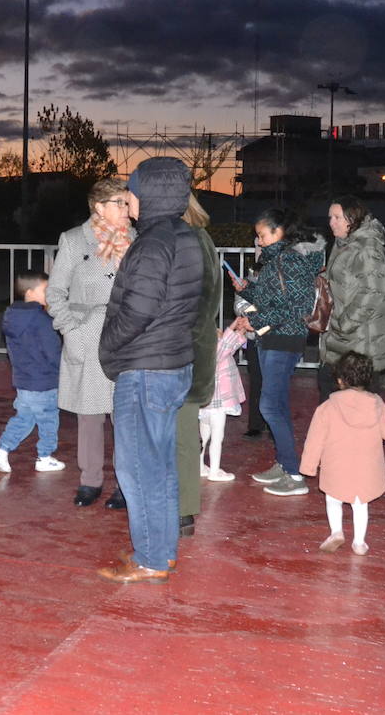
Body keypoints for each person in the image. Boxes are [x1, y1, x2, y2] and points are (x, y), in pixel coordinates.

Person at [96, 157, 203, 584]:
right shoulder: (186, 237)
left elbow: (137, 310)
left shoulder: (154, 243)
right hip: (172, 362)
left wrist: (108, 348)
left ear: (150, 194)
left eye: (133, 190)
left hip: (145, 368)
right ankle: (162, 551)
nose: (129, 197)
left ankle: (150, 559)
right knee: (159, 466)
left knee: (138, 466)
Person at [232, 209, 326, 497]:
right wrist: (247, 290)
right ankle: (286, 464)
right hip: (272, 338)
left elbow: (297, 308)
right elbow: (273, 299)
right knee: (277, 404)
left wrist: (254, 321)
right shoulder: (277, 261)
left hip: (283, 339)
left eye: (261, 235)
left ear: (279, 232)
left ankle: (294, 475)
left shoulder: (291, 260)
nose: (258, 242)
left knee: (270, 406)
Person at [49, 177, 130, 507]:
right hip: (88, 334)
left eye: (127, 203)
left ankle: (126, 484)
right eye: (119, 203)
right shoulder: (73, 240)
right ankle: (90, 480)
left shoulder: (137, 240)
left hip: (126, 335)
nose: (126, 209)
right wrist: (71, 328)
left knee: (125, 414)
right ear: (99, 207)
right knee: (90, 413)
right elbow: (55, 293)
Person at [301, 352, 385, 556]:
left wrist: (308, 466)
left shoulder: (327, 407)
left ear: (340, 380)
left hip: (336, 467)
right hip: (365, 470)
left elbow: (314, 440)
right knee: (360, 505)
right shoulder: (376, 404)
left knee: (333, 499)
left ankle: (336, 532)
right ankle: (359, 542)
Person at [319, 196, 385, 400]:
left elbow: (373, 292)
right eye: (330, 217)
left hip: (361, 341)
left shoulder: (367, 248)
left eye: (337, 217)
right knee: (332, 396)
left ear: (352, 218)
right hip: (345, 340)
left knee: (354, 407)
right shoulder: (344, 244)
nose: (331, 222)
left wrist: (344, 324)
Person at [0, 270, 66, 474]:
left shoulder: (12, 316)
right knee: (49, 419)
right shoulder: (42, 320)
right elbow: (53, 351)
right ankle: (45, 456)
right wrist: (64, 369)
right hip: (44, 381)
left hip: (23, 380)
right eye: (45, 290)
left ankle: (2, 451)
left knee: (24, 417)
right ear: (30, 293)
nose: (49, 293)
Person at [175, 193, 221, 537]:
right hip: (194, 351)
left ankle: (180, 508)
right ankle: (184, 510)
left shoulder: (183, 240)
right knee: (186, 436)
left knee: (178, 436)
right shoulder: (201, 239)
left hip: (178, 353)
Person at [199, 323, 248, 482]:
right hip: (217, 403)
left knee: (203, 437)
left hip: (206, 402)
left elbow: (229, 346)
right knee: (217, 437)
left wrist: (239, 332)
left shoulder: (205, 350)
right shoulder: (216, 352)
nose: (221, 333)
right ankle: (214, 471)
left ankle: (200, 466)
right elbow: (226, 345)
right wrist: (234, 327)